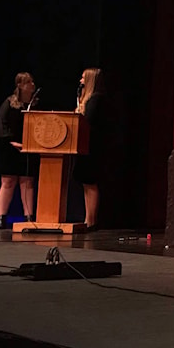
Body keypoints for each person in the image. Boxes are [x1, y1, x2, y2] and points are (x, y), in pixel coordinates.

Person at [0, 72, 39, 229]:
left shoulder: (35, 104)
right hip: (10, 148)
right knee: (8, 182)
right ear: (20, 85)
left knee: (27, 182)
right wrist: (12, 142)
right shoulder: (10, 103)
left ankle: (28, 218)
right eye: (28, 82)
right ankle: (1, 218)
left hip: (29, 148)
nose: (32, 85)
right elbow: (1, 125)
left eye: (32, 82)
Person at [74, 67, 106, 229]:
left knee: (90, 182)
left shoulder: (95, 99)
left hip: (92, 146)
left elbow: (88, 121)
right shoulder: (86, 98)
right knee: (85, 183)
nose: (80, 81)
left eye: (82, 78)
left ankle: (92, 220)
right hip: (83, 145)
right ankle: (87, 219)